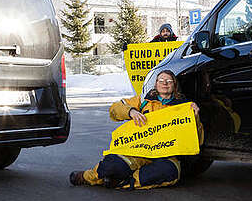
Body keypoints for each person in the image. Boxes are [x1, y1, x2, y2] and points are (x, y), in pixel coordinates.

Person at [69, 69, 202, 190]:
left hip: (165, 155)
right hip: (137, 151)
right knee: (112, 165)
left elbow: (198, 140)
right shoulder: (143, 100)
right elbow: (114, 109)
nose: (165, 83)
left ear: (174, 85)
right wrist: (131, 111)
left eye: (169, 81)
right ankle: (87, 177)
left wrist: (194, 118)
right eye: (161, 80)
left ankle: (123, 182)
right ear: (155, 84)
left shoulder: (184, 107)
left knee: (169, 172)